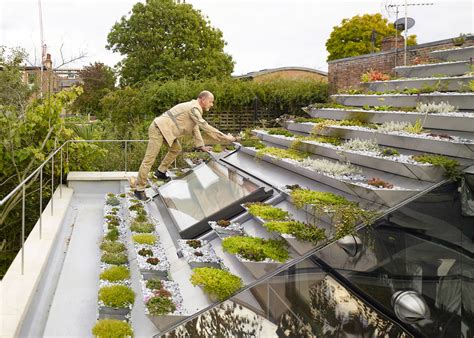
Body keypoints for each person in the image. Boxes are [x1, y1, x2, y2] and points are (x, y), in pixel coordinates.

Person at [133, 90, 235, 201]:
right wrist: (226, 137)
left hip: (167, 131)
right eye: (211, 101)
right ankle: (139, 189)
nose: (212, 104)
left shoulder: (195, 109)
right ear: (203, 99)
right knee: (149, 160)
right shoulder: (193, 108)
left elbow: (196, 129)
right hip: (158, 129)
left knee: (176, 149)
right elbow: (204, 126)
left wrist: (201, 146)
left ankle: (160, 172)